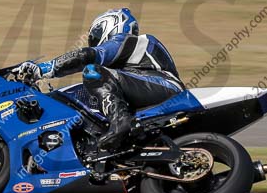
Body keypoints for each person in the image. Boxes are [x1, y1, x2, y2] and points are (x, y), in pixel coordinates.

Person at [14, 8, 184, 151]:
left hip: (166, 87)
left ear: (112, 25)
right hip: (152, 97)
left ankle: (120, 122)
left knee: (93, 71)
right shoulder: (123, 68)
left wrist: (43, 69)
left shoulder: (133, 41)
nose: (94, 40)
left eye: (96, 34)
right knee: (80, 94)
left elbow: (91, 55)